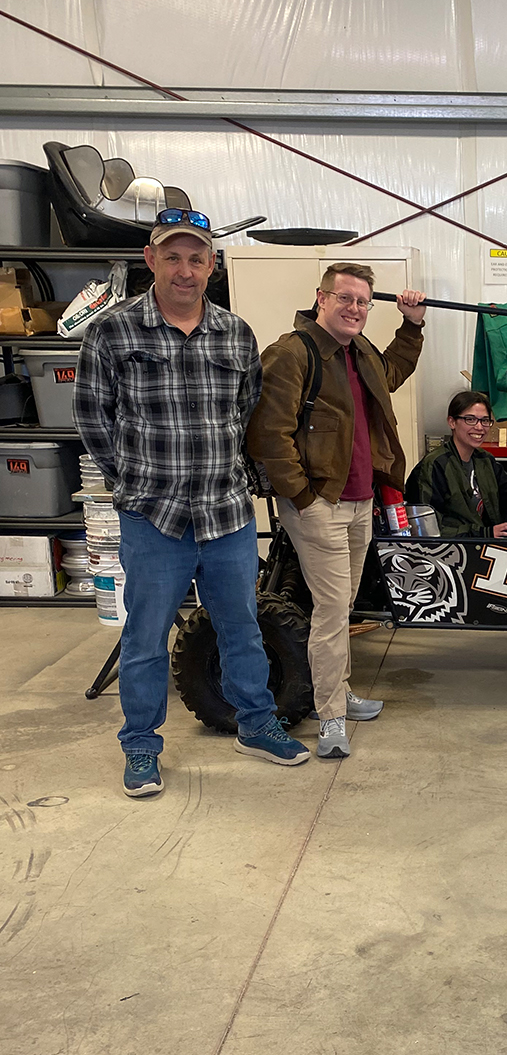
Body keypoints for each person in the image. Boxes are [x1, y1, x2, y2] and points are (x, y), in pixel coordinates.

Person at [73, 208, 310, 798]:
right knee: (145, 638)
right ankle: (141, 744)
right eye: (173, 257)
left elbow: (246, 412)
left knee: (242, 628)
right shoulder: (112, 332)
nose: (185, 269)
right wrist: (134, 482)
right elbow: (92, 418)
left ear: (212, 265)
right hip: (153, 519)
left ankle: (256, 725)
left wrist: (235, 475)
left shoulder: (236, 333)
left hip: (225, 514)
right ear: (150, 259)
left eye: (197, 258)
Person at [246, 263, 426, 761]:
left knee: (342, 607)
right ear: (321, 298)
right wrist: (303, 498)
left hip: (361, 500)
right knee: (329, 611)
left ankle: (338, 690)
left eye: (362, 301)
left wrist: (411, 325)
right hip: (320, 503)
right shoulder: (292, 353)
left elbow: (392, 373)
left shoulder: (359, 350)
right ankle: (329, 716)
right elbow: (269, 435)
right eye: (344, 297)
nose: (354, 308)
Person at [405, 390, 507, 537]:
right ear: (452, 422)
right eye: (470, 419)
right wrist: (484, 533)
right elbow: (427, 530)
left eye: (485, 421)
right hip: (461, 547)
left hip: (482, 533)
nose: (479, 427)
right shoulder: (435, 466)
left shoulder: (483, 460)